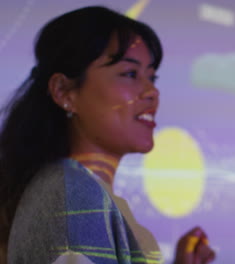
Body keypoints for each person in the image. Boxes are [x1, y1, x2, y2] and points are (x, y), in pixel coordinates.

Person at [0, 6, 215, 264]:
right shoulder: (74, 194)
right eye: (130, 74)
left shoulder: (77, 190)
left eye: (152, 77)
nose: (152, 92)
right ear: (63, 92)